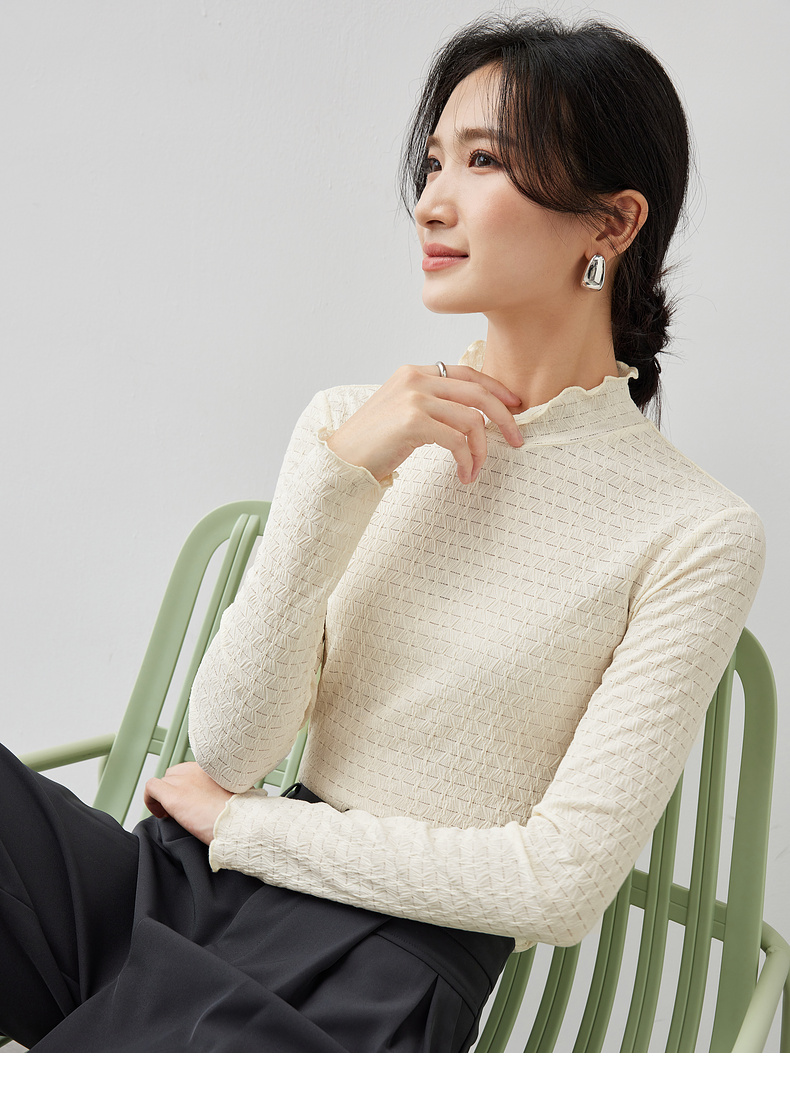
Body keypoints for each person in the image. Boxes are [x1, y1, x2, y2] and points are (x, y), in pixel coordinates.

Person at [0, 13, 765, 1052]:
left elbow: (557, 883)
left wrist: (248, 826)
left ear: (612, 223)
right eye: (435, 160)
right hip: (183, 887)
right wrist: (342, 473)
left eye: (484, 161)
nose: (432, 200)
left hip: (370, 963)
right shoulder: (353, 424)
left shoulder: (693, 531)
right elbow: (229, 746)